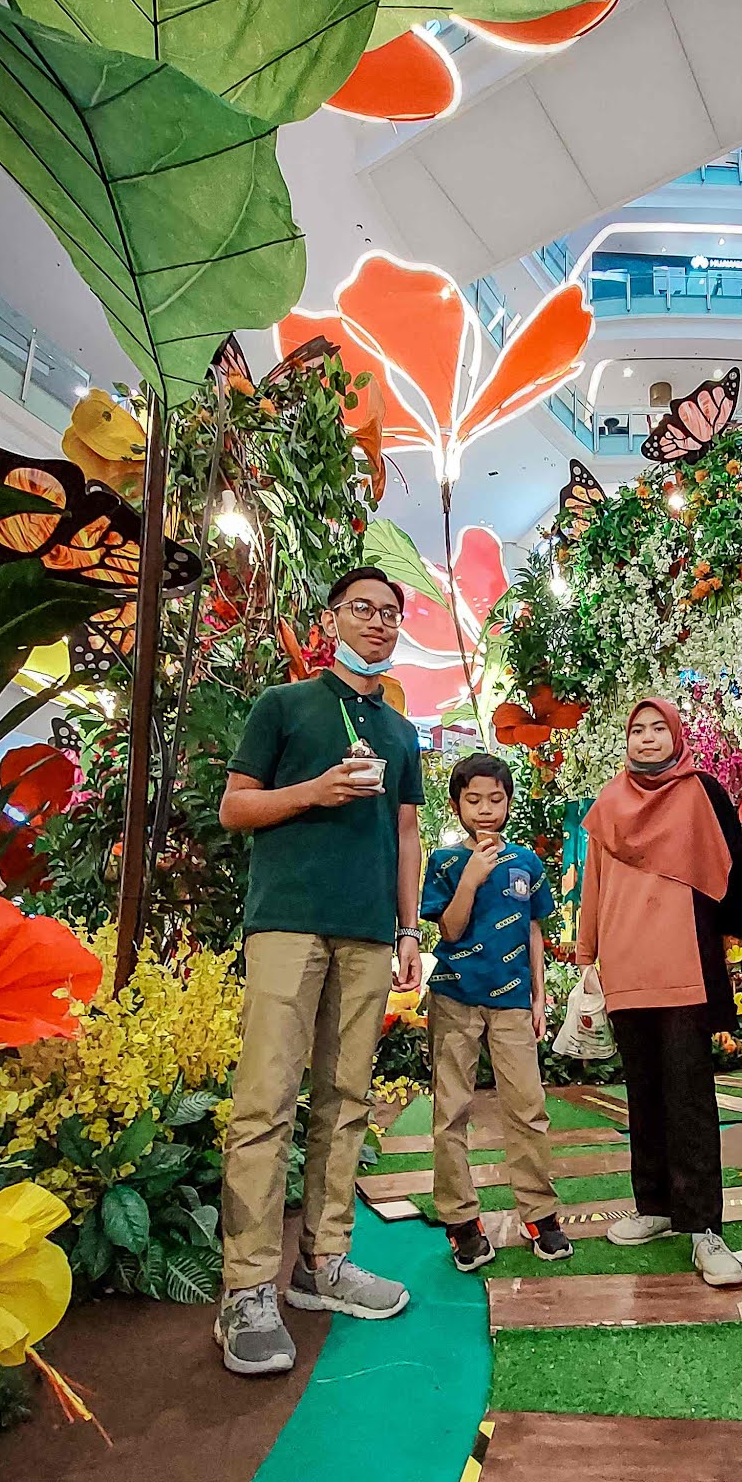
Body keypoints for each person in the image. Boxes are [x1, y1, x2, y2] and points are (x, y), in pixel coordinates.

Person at [213, 567, 425, 1375]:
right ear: (332, 617)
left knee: (346, 1101)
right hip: (288, 924)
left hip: (370, 934)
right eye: (363, 609)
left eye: (391, 613)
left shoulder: (401, 733)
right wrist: (315, 790)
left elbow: (407, 834)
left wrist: (409, 927)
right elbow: (236, 808)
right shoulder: (284, 706)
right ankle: (246, 1289)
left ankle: (322, 1263)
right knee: (266, 1100)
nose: (378, 622)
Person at [577, 697, 742, 1286]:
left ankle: (704, 1226)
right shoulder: (608, 802)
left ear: (675, 736)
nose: (647, 738)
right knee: (644, 1093)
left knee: (690, 1095)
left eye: (658, 729)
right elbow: (592, 886)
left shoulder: (699, 792)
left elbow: (733, 868)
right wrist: (586, 957)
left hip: (682, 964)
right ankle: (653, 1205)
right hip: (626, 966)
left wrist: (728, 935)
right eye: (637, 729)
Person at [421, 752, 573, 1274]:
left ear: (509, 803)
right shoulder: (443, 863)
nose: (485, 810)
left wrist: (538, 997)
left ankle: (539, 1212)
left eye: (495, 799)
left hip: (512, 1003)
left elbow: (534, 931)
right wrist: (471, 877)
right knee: (452, 1111)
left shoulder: (527, 863)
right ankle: (462, 1220)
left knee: (528, 1106)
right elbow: (450, 931)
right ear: (456, 803)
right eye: (473, 799)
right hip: (455, 998)